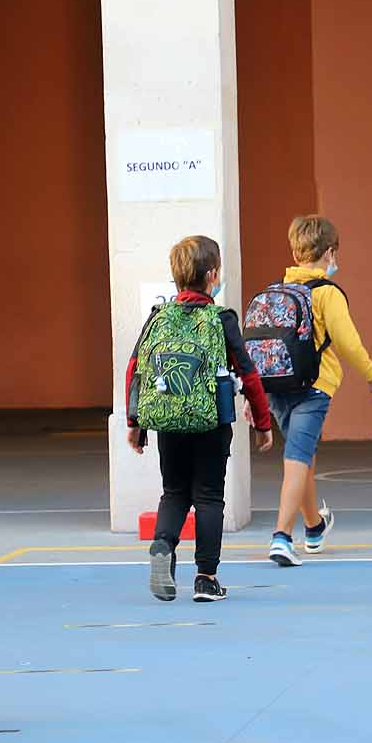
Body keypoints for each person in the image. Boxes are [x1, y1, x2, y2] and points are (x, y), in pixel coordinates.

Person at [126, 236, 275, 603]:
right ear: (212, 276)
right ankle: (206, 579)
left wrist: (136, 422)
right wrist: (262, 422)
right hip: (212, 423)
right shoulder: (221, 319)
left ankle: (163, 545)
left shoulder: (157, 319)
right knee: (209, 497)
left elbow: (136, 369)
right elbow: (249, 373)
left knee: (174, 492)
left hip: (169, 422)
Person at [264, 216, 372, 568]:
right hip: (312, 389)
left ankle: (314, 527)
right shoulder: (327, 294)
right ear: (329, 252)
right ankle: (282, 536)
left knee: (304, 458)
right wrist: (371, 376)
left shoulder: (277, 290)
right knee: (298, 459)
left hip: (277, 389)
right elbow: (348, 341)